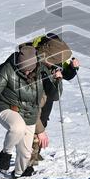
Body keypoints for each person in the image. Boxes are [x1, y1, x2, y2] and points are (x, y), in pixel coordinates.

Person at [0, 45, 51, 178]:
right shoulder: (8, 68)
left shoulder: (41, 71)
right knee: (17, 128)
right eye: (23, 69)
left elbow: (53, 96)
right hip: (7, 107)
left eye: (29, 69)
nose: (26, 72)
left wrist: (56, 81)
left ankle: (17, 174)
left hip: (29, 113)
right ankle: (5, 155)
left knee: (26, 154)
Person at [24, 34, 80, 165]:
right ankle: (29, 156)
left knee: (43, 120)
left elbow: (66, 74)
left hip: (49, 92)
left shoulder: (58, 52)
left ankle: (35, 152)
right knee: (33, 120)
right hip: (34, 92)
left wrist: (72, 68)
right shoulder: (38, 53)